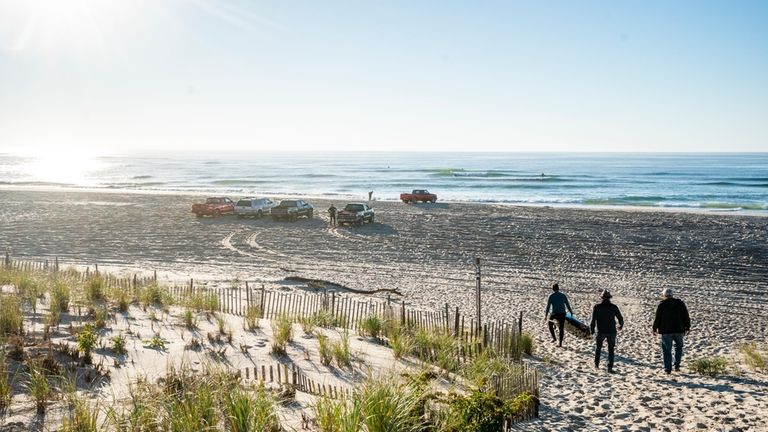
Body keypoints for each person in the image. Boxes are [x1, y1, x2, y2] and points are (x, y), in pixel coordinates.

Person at [653, 288, 691, 374]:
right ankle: (677, 365)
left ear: (664, 295)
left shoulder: (662, 305)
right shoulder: (680, 303)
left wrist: (654, 328)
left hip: (666, 331)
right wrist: (688, 327)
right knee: (679, 347)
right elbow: (686, 316)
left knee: (667, 350)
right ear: (672, 295)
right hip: (679, 330)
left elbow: (657, 318)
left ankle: (668, 369)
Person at [590, 290, 624, 373]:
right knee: (611, 349)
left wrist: (592, 331)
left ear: (602, 298)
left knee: (598, 348)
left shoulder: (597, 307)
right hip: (611, 331)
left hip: (601, 331)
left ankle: (596, 365)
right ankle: (609, 367)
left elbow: (593, 320)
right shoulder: (614, 307)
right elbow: (621, 319)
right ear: (609, 298)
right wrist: (620, 325)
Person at [544, 283, 573, 347]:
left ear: (553, 289)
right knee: (561, 328)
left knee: (550, 324)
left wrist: (546, 315)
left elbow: (548, 306)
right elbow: (567, 305)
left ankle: (554, 338)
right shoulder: (563, 295)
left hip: (554, 314)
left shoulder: (551, 296)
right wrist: (571, 312)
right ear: (558, 288)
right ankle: (560, 343)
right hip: (562, 314)